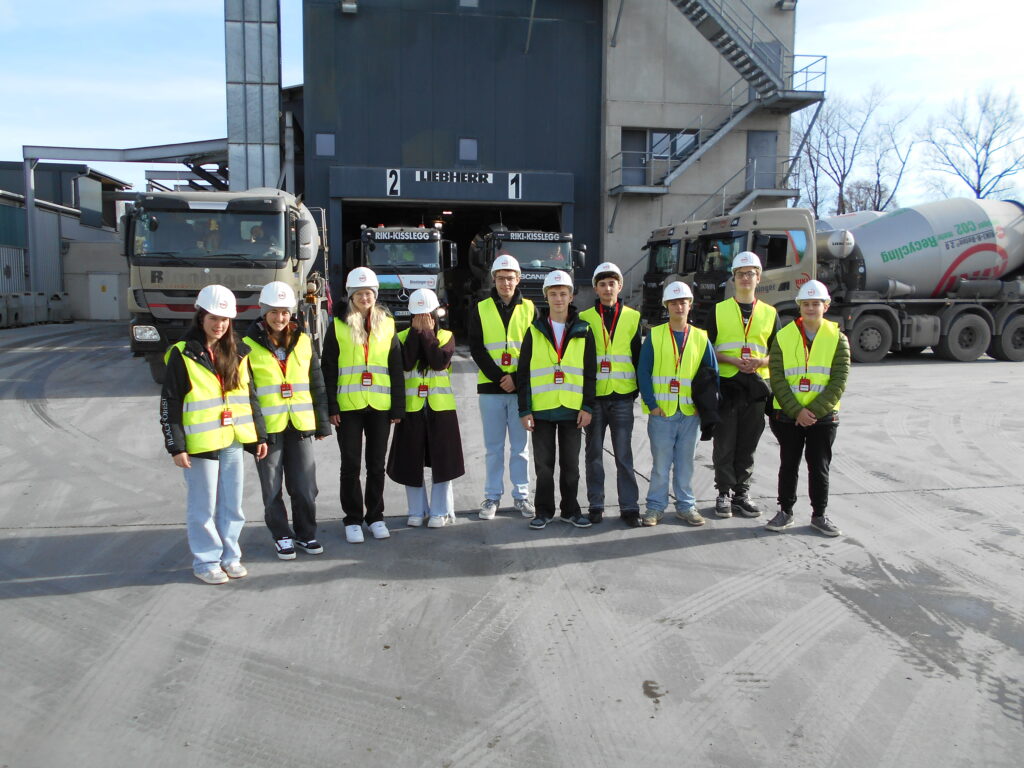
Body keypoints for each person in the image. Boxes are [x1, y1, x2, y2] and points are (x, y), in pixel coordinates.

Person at [160, 284, 268, 584]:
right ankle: (206, 561)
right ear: (201, 317)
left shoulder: (239, 351)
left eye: (224, 319)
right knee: (203, 507)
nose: (219, 325)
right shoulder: (183, 354)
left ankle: (230, 557)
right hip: (201, 443)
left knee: (232, 505)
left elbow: (250, 395)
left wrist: (259, 436)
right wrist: (176, 445)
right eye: (213, 318)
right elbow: (170, 402)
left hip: (233, 438)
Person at [243, 281, 332, 560]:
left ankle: (306, 534)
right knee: (272, 487)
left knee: (305, 487)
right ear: (263, 312)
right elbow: (248, 393)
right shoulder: (247, 346)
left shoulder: (304, 341)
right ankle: (282, 535)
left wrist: (321, 423)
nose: (279, 318)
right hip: (268, 430)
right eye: (273, 312)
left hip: (300, 425)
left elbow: (316, 382)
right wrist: (256, 433)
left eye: (284, 312)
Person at [321, 267, 405, 543]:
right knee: (350, 465)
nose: (364, 298)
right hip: (348, 407)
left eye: (368, 293)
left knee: (376, 465)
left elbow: (395, 367)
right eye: (359, 294)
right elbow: (328, 367)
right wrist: (331, 406)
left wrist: (398, 406)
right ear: (350, 296)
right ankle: (353, 519)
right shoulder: (338, 325)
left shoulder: (388, 324)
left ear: (375, 295)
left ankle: (376, 516)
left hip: (380, 405)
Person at [765, 280, 850, 536]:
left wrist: (812, 412)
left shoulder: (838, 339)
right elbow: (777, 378)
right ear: (799, 306)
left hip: (822, 418)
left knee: (819, 467)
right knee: (788, 465)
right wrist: (797, 411)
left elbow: (839, 380)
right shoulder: (783, 337)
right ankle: (785, 511)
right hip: (788, 416)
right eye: (806, 304)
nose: (811, 308)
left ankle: (819, 515)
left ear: (826, 306)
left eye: (816, 304)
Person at [518, 270, 596, 529]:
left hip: (572, 410)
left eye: (563, 293)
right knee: (544, 466)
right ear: (546, 297)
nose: (558, 298)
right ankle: (543, 511)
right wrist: (525, 410)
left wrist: (587, 406)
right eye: (553, 294)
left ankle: (570, 510)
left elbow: (590, 373)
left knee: (571, 466)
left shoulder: (584, 330)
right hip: (542, 411)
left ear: (571, 296)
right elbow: (523, 374)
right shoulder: (534, 331)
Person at [638, 281, 719, 527]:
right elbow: (643, 372)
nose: (679, 307)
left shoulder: (701, 338)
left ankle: (686, 506)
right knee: (661, 465)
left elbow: (712, 374)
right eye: (673, 303)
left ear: (690, 305)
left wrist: (704, 407)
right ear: (667, 306)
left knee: (686, 464)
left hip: (690, 413)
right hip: (662, 412)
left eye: (683, 302)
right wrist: (652, 404)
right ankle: (655, 507)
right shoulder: (655, 335)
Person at [707, 251, 780, 519]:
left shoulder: (770, 313)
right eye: (741, 274)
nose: (746, 278)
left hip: (757, 387)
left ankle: (742, 492)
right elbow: (707, 350)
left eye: (750, 273)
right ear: (734, 278)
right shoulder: (719, 310)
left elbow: (779, 353)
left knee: (748, 442)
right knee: (724, 442)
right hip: (728, 386)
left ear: (758, 278)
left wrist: (761, 362)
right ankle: (724, 492)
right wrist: (732, 360)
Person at [468, 252, 537, 520]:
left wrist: (516, 379)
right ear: (493, 280)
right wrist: (500, 377)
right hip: (491, 389)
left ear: (518, 279)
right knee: (493, 448)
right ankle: (492, 497)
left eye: (510, 278)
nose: (505, 283)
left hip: (520, 390)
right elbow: (476, 348)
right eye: (500, 278)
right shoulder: (481, 308)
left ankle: (521, 496)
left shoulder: (530, 309)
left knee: (520, 448)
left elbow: (535, 350)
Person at [388, 289, 465, 528]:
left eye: (427, 315)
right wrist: (416, 333)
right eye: (418, 316)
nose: (423, 319)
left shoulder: (446, 336)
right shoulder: (401, 337)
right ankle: (416, 510)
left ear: (435, 314)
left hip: (440, 409)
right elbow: (407, 362)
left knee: (443, 462)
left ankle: (440, 511)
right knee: (410, 461)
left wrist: (428, 335)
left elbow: (438, 362)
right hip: (412, 409)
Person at [579, 261, 642, 527]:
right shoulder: (584, 318)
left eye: (612, 283)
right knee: (593, 454)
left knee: (623, 455)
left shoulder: (633, 317)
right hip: (595, 398)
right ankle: (596, 504)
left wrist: (635, 390)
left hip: (622, 396)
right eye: (602, 284)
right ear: (595, 288)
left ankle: (629, 506)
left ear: (620, 286)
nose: (607, 289)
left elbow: (637, 357)